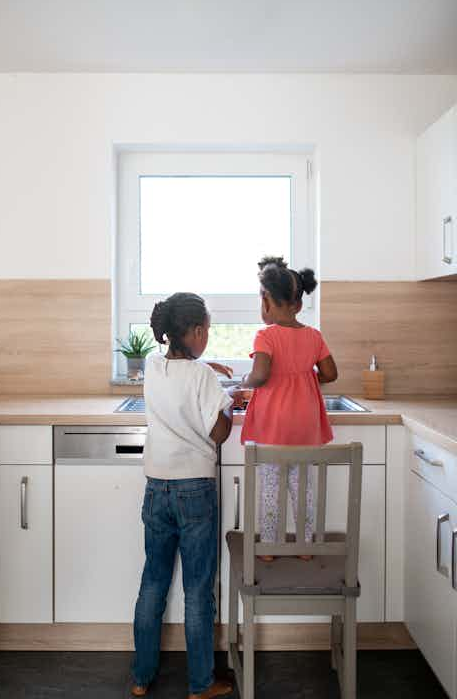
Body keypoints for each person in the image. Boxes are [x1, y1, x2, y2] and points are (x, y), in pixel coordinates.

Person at [131, 292, 238, 699]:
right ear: (195, 332)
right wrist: (229, 404)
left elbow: (181, 377)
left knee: (152, 583)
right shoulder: (204, 379)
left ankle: (141, 677)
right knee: (197, 589)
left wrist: (206, 371)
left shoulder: (153, 368)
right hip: (194, 490)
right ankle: (200, 684)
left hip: (156, 488)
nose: (207, 335)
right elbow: (220, 431)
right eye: (207, 330)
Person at [240, 256, 338, 561]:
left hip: (275, 427)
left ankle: (269, 548)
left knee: (271, 489)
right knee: (303, 490)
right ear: (298, 304)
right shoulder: (313, 336)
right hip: (305, 426)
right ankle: (306, 547)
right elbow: (331, 374)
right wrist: (307, 380)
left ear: (266, 300)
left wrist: (245, 380)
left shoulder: (266, 336)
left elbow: (260, 374)